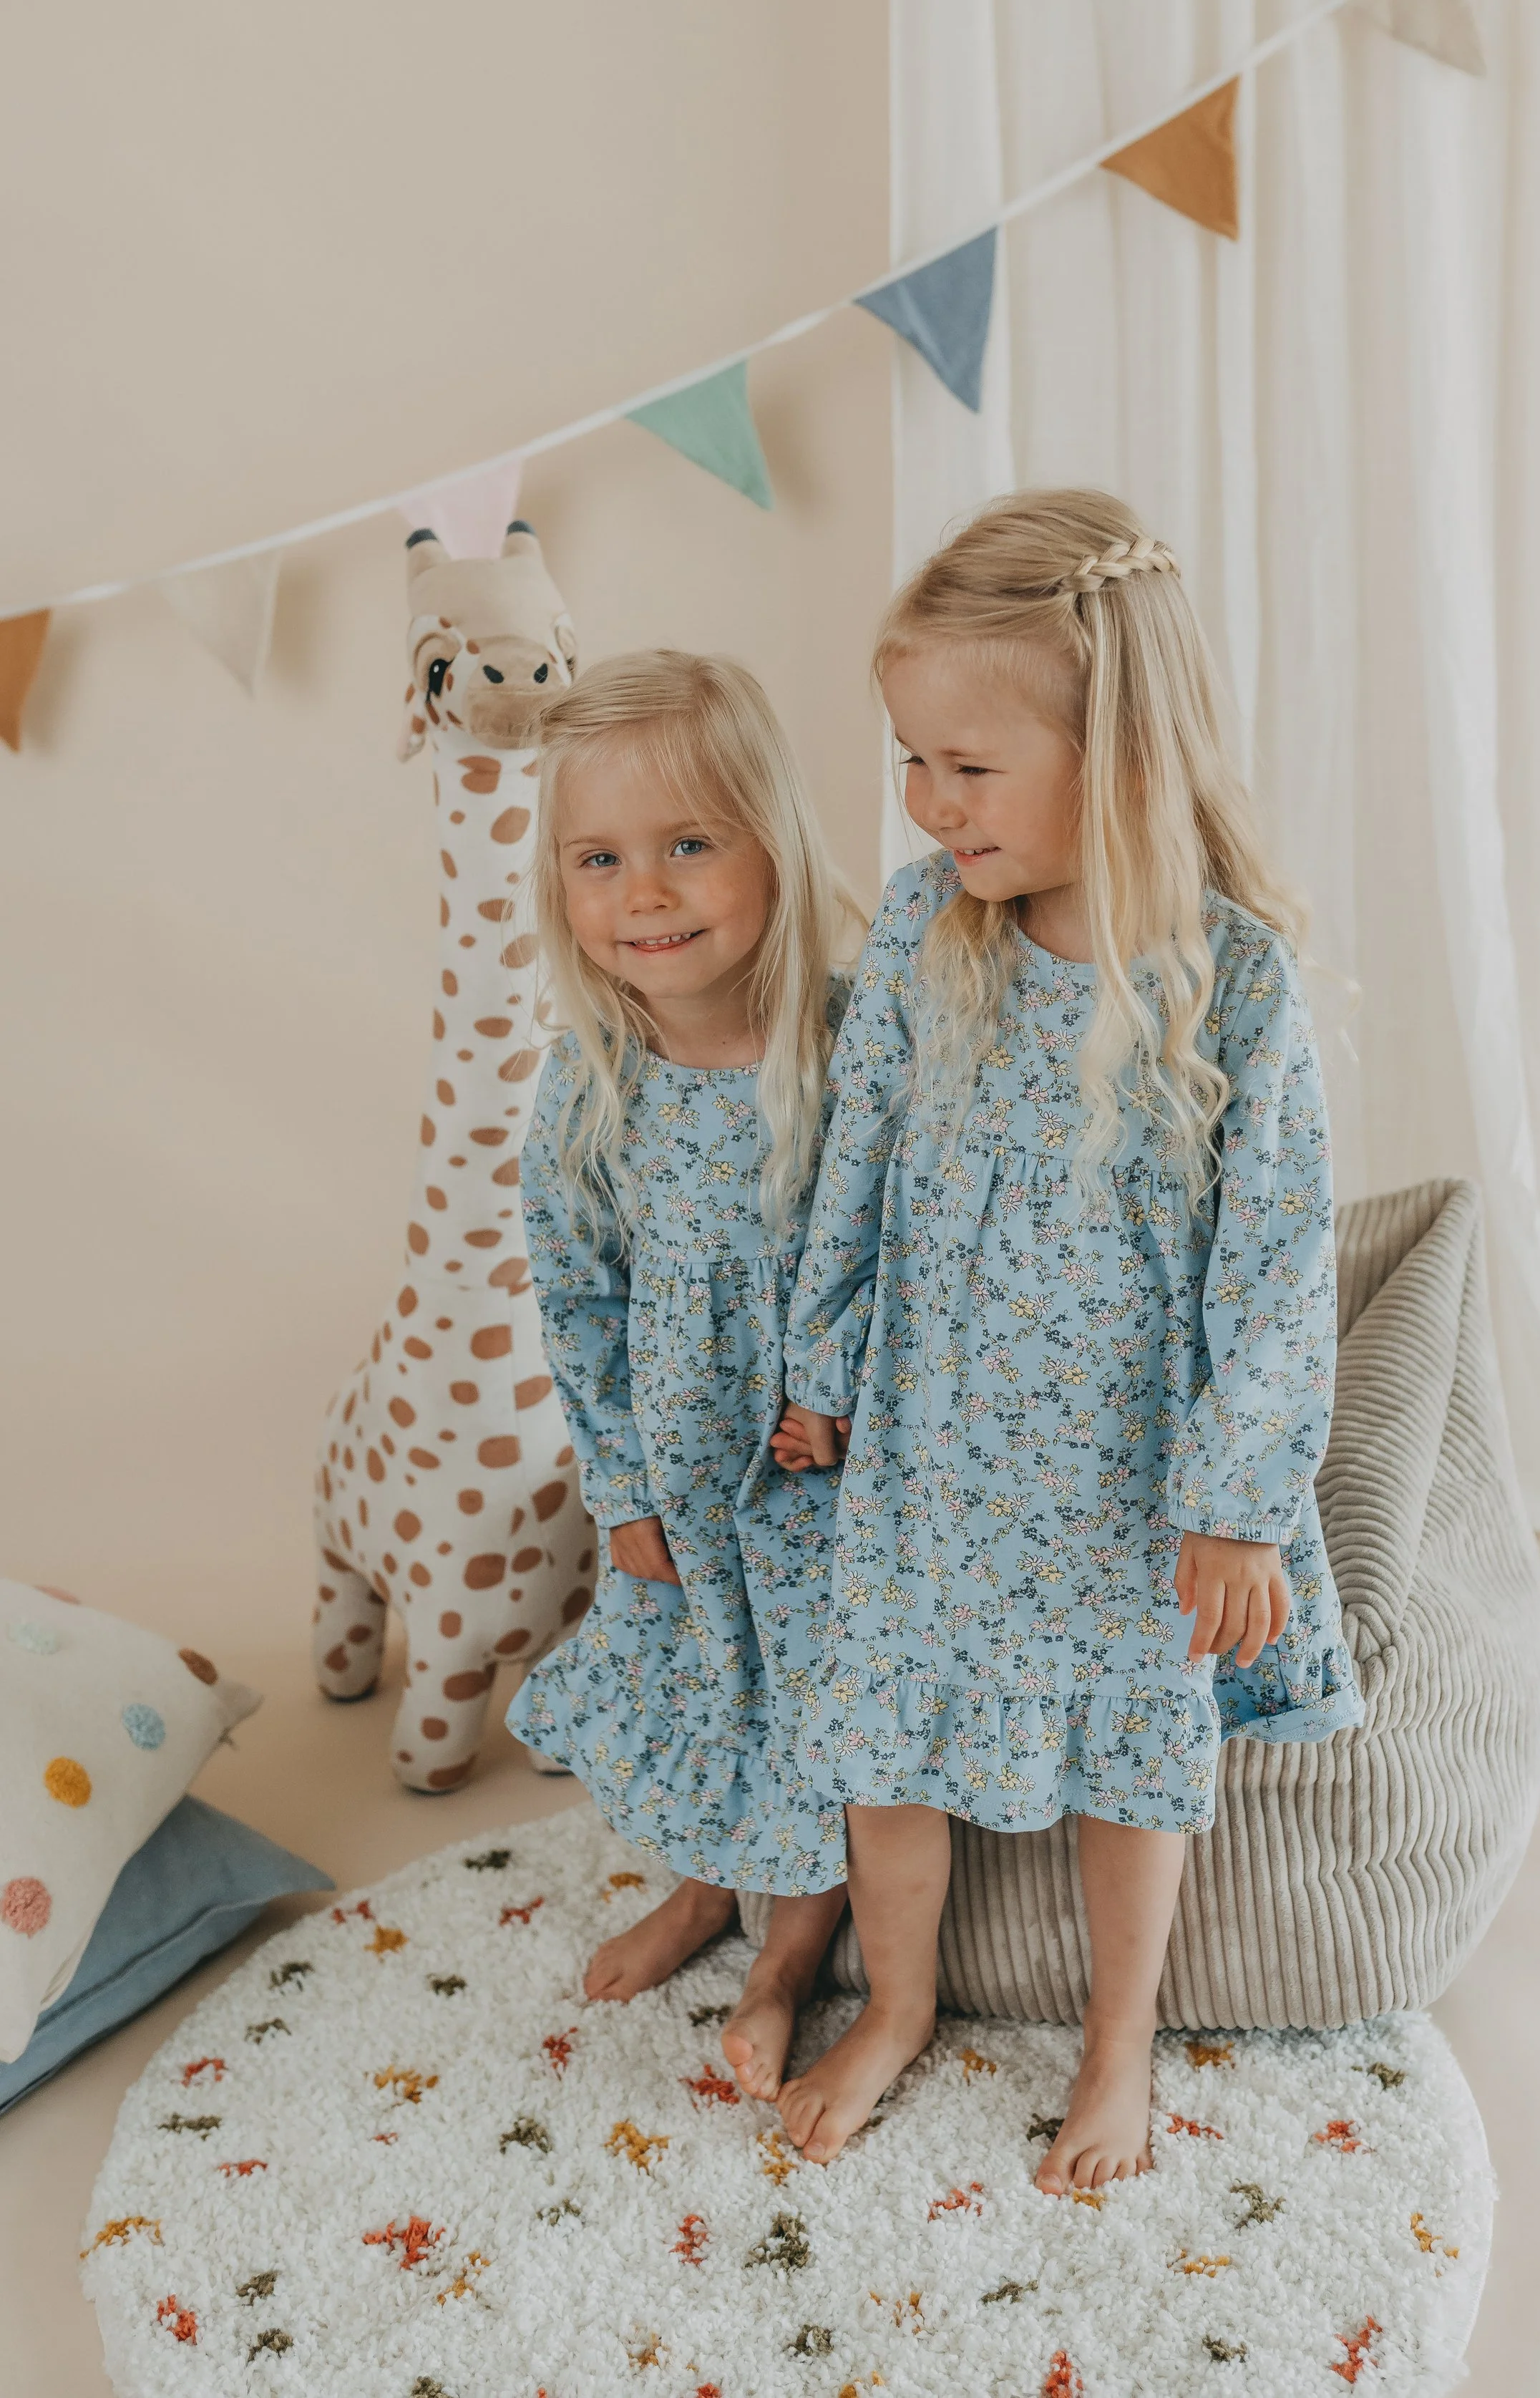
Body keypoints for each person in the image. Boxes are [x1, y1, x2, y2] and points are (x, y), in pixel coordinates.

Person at [769, 489, 1362, 2187]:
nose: (927, 801)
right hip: (929, 1453)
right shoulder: (921, 931)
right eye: (910, 760)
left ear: (1117, 757)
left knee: (1130, 1768)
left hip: (1129, 1481)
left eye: (968, 765)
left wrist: (1236, 1506)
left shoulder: (1230, 981)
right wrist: (820, 1372)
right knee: (883, 1746)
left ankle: (1117, 2047)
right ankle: (895, 2005)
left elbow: (1276, 1263)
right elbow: (854, 1165)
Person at [508, 648, 858, 2101]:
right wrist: (622, 1486)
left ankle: (791, 1957)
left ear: (773, 843)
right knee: (706, 1682)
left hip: (828, 1471)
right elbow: (577, 1298)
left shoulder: (856, 1044)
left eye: (689, 844)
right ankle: (706, 1887)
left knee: (819, 1705)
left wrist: (851, 1402)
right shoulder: (589, 1080)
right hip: (684, 1458)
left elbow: (920, 1253)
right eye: (599, 858)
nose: (643, 892)